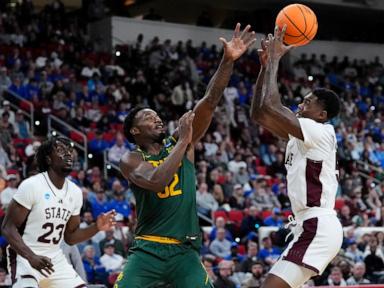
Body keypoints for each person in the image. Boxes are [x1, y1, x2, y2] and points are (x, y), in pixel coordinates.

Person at [115, 23, 256, 288]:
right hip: (148, 250)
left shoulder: (182, 141)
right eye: (148, 118)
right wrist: (183, 140)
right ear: (134, 130)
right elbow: (157, 181)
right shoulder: (131, 159)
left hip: (185, 252)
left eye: (157, 116)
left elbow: (210, 100)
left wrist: (227, 61)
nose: (157, 120)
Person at [250, 25, 343, 288]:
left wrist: (275, 62)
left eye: (307, 103)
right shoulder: (302, 134)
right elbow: (259, 113)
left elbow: (271, 106)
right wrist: (264, 67)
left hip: (317, 225)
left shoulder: (320, 131)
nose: (300, 106)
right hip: (308, 225)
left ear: (321, 115)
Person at [1, 137, 116, 287]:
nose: (68, 154)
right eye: (61, 150)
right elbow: (7, 227)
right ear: (48, 159)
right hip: (25, 257)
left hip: (55, 258)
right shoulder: (32, 185)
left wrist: (96, 227)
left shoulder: (75, 192)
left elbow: (70, 237)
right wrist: (31, 257)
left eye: (69, 150)